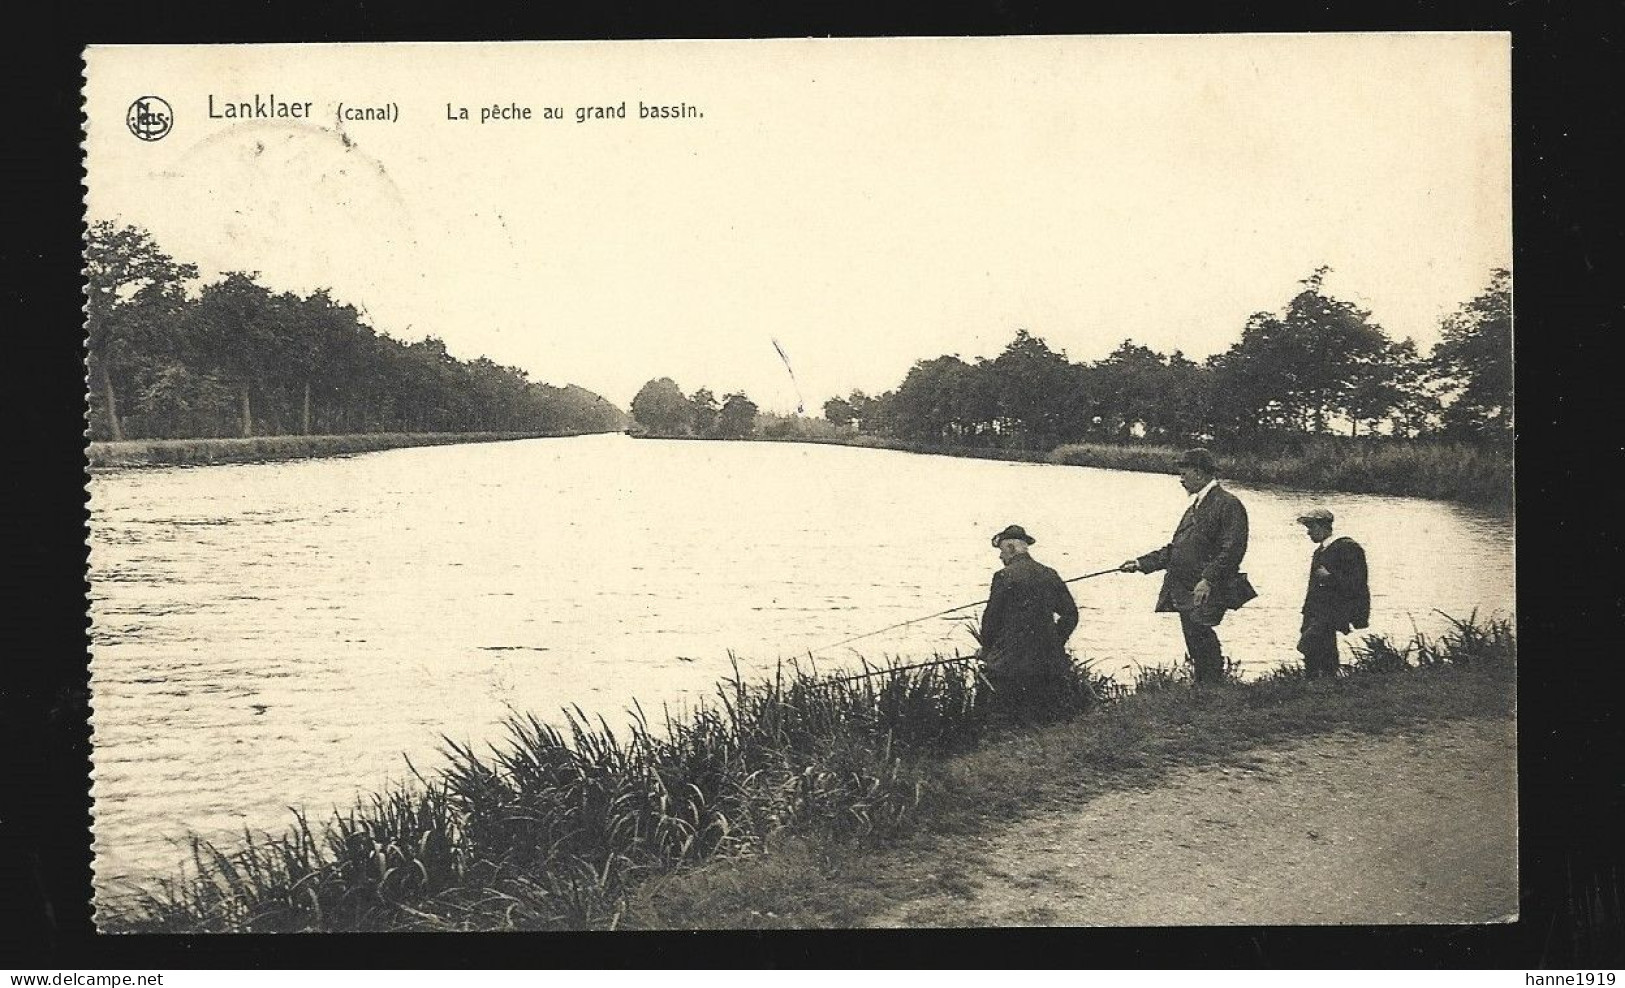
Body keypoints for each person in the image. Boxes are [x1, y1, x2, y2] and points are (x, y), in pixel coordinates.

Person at [1119, 448, 1255, 684]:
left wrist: (1208, 579)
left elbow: (1233, 549)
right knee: (1195, 636)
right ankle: (1206, 687)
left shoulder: (1228, 504)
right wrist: (1141, 563)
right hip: (1185, 586)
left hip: (1204, 587)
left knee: (1201, 635)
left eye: (1184, 474)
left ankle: (1210, 687)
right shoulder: (1198, 505)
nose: (1181, 479)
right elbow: (1177, 548)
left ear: (1200, 473)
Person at [980, 524, 1079, 717]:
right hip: (1048, 664)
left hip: (1011, 666)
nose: (1001, 557)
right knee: (1043, 719)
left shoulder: (1003, 576)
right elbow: (1070, 615)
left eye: (1001, 552)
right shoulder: (1050, 574)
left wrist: (987, 649)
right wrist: (1053, 642)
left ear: (1010, 548)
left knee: (1004, 717)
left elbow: (991, 621)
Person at [1295, 507, 1370, 678]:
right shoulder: (1320, 551)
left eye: (1311, 527)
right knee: (1321, 649)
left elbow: (1357, 582)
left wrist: (1330, 578)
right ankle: (1322, 684)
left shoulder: (1347, 548)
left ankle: (1322, 682)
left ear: (1323, 527)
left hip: (1331, 610)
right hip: (1316, 610)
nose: (1308, 533)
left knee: (1309, 643)